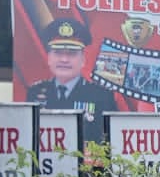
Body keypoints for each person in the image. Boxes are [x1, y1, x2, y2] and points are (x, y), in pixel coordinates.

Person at [26, 16, 118, 148]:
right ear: (49, 58)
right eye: (58, 53)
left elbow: (110, 142)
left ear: (83, 60)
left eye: (71, 54)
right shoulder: (35, 93)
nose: (64, 59)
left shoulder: (101, 96)